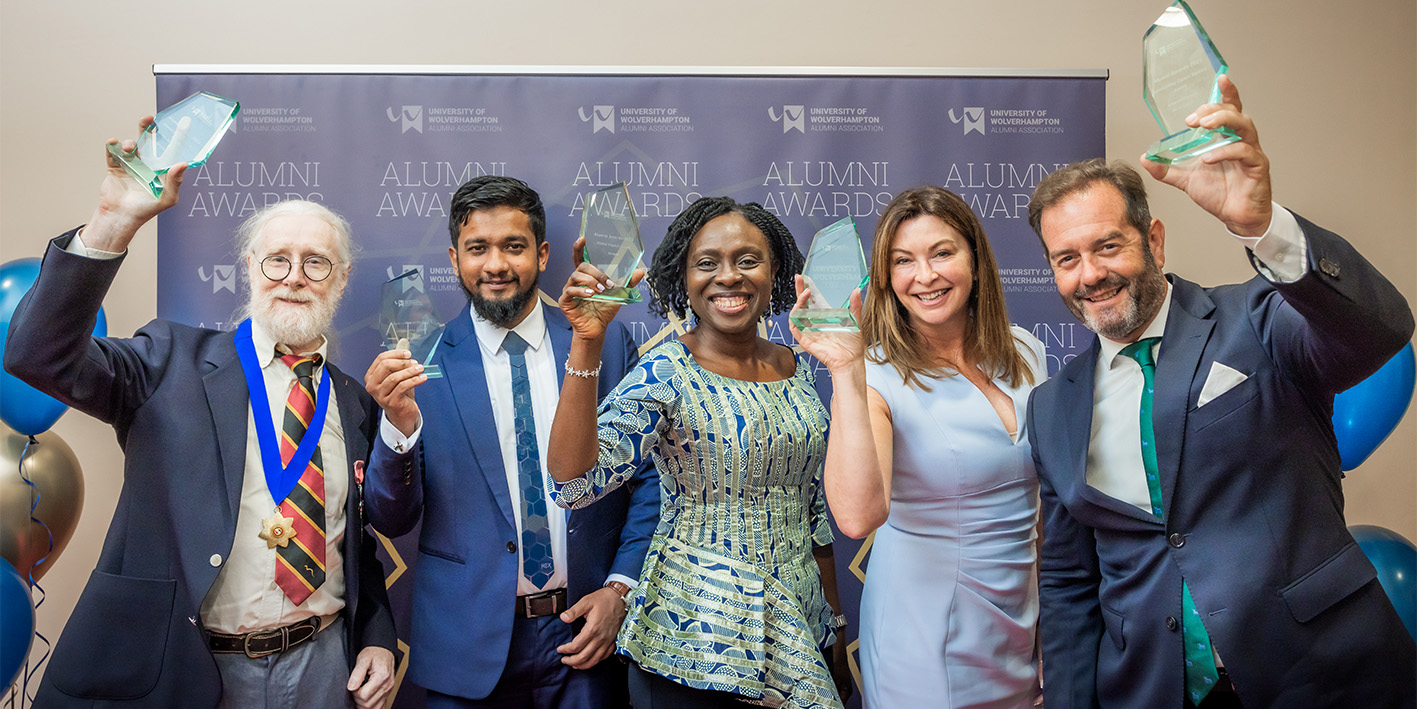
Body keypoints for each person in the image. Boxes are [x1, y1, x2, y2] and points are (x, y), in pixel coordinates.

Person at [1025, 77, 1417, 709]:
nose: (1090, 274)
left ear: (1153, 240)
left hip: (1324, 676)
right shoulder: (1051, 408)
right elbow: (1070, 581)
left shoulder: (1257, 319)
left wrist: (1265, 227)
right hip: (1152, 691)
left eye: (1107, 245)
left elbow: (1378, 332)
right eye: (1065, 258)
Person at [3, 118, 396, 708]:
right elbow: (37, 356)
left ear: (340, 282)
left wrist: (377, 638)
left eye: (316, 263)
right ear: (249, 268)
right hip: (186, 670)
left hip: (322, 665)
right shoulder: (168, 361)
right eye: (277, 260)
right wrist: (113, 219)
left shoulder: (355, 402)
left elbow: (355, 543)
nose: (294, 278)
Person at [362, 175, 659, 707]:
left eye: (513, 246)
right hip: (467, 647)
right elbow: (391, 519)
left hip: (586, 639)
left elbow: (652, 479)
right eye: (478, 248)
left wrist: (620, 587)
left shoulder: (605, 343)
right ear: (455, 259)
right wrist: (398, 426)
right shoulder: (419, 363)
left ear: (541, 254)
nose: (496, 264)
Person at [543, 197, 851, 708]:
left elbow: (813, 513)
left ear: (774, 270)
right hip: (692, 643)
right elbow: (572, 487)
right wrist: (587, 341)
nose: (728, 276)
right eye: (707, 263)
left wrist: (833, 623)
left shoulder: (796, 366)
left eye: (747, 260)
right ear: (683, 279)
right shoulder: (666, 372)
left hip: (798, 631)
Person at [792, 186, 1046, 708]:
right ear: (885, 278)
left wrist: (1052, 626)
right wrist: (845, 368)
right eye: (903, 261)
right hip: (923, 635)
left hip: (1022, 623)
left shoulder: (1026, 351)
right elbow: (857, 517)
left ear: (974, 258)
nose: (924, 276)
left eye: (942, 253)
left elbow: (1040, 508)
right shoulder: (875, 374)